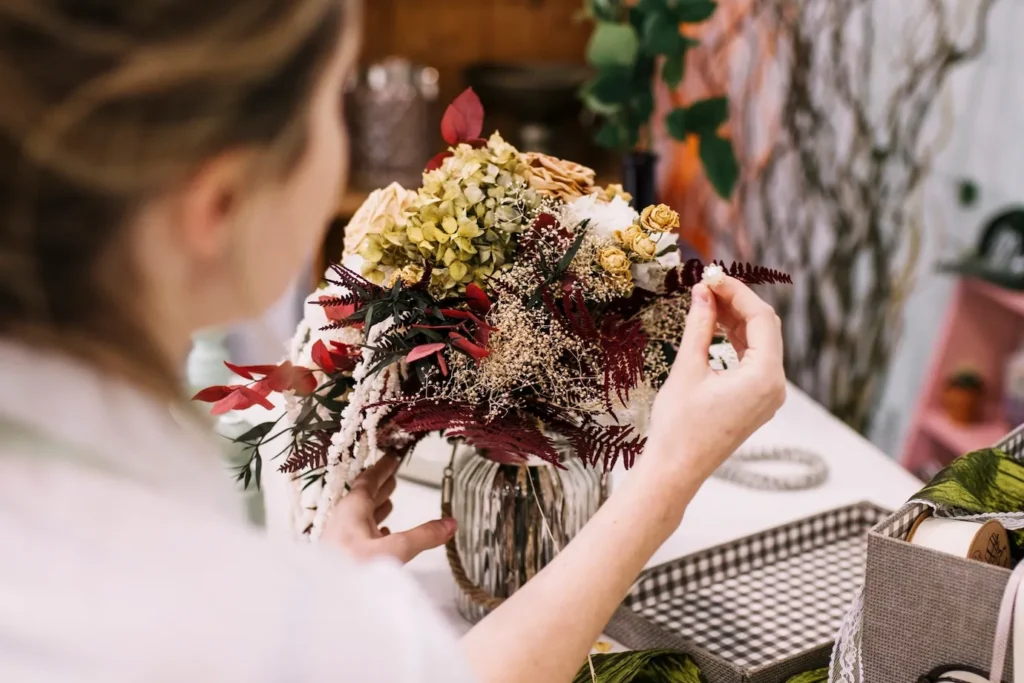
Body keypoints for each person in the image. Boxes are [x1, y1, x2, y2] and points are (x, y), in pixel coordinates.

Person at [0, 1, 787, 681]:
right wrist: (671, 471)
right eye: (332, 108)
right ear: (221, 201)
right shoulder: (199, 610)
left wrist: (324, 595)